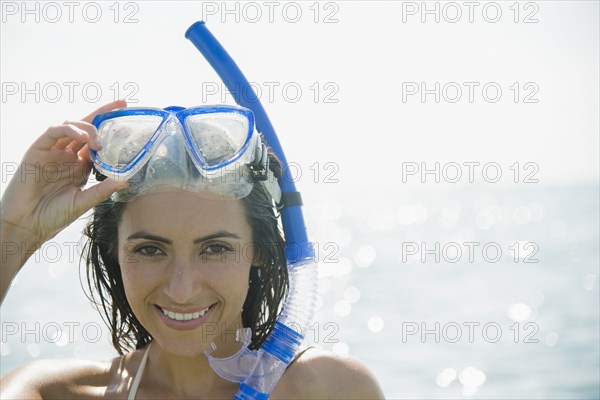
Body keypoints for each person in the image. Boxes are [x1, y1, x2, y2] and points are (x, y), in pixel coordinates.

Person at [0, 100, 385, 399]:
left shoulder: (332, 390)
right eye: (150, 250)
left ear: (260, 251)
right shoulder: (51, 393)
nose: (180, 290)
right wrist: (14, 232)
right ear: (114, 251)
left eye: (215, 249)